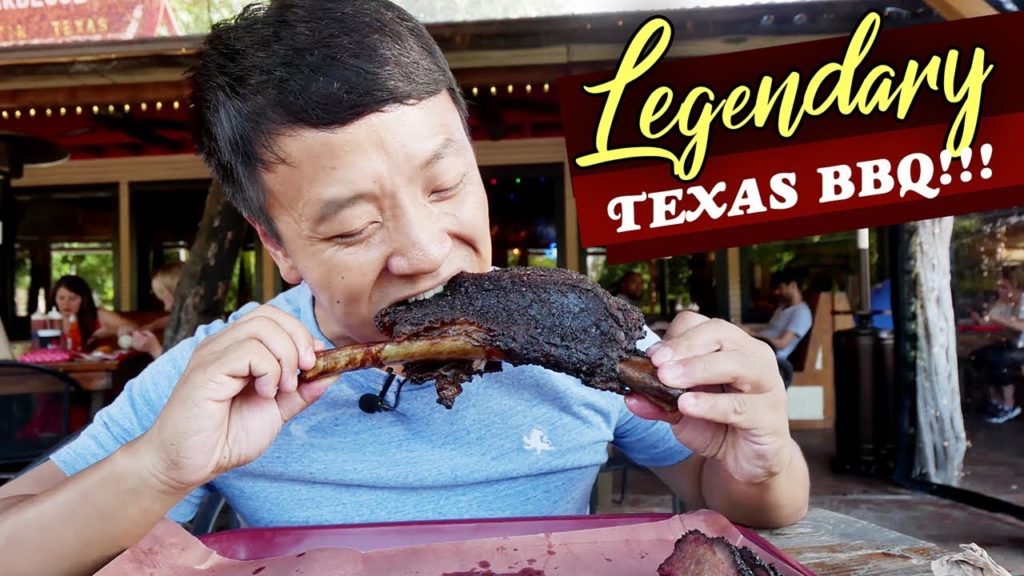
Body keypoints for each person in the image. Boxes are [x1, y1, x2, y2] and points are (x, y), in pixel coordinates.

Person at [0, 3, 809, 574]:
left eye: (448, 186)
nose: (424, 253)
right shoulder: (221, 377)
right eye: (352, 229)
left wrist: (757, 451)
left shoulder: (589, 343)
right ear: (279, 247)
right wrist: (159, 470)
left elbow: (744, 505)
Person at [969, 269, 1024, 424]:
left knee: (999, 359)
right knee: (978, 356)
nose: (1001, 291)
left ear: (1016, 287)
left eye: (1005, 287)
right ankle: (995, 400)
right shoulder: (1013, 302)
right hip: (1015, 345)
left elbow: (1021, 326)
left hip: (1021, 349)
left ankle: (1009, 406)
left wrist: (1000, 318)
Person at [744, 269, 813, 361]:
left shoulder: (801, 313)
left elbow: (782, 344)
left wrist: (751, 334)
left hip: (768, 358)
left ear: (793, 285)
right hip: (757, 349)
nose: (777, 292)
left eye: (780, 287)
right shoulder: (783, 307)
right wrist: (745, 327)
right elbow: (769, 327)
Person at [50, 275, 136, 348]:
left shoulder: (98, 315)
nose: (66, 303)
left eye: (72, 298)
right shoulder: (49, 320)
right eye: (61, 298)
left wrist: (114, 330)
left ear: (84, 299)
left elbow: (134, 327)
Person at [131, 261, 186, 358]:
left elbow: (179, 368)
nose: (157, 295)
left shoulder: (193, 324)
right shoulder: (187, 314)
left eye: (161, 291)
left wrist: (153, 348)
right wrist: (152, 326)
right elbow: (169, 320)